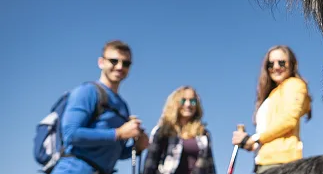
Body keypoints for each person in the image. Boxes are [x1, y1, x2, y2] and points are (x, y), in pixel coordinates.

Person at [51, 40, 149, 174]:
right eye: (114, 61)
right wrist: (118, 133)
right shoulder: (88, 91)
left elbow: (113, 152)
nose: (120, 67)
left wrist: (136, 148)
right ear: (101, 62)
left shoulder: (123, 106)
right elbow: (70, 134)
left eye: (126, 63)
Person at [232, 45, 312, 174]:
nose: (276, 67)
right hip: (264, 162)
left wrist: (255, 138)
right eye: (271, 64)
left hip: (283, 163)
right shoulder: (272, 94)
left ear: (291, 64)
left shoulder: (294, 84)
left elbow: (288, 120)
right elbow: (267, 135)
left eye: (281, 62)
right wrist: (248, 142)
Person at [143, 86, 216, 174]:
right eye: (183, 100)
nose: (188, 104)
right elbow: (150, 164)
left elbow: (210, 166)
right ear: (175, 103)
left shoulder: (203, 134)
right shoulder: (162, 131)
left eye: (192, 101)